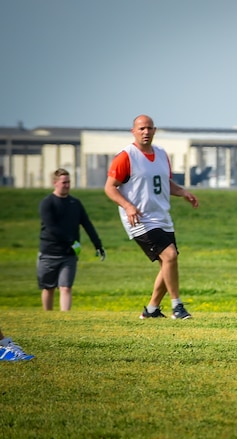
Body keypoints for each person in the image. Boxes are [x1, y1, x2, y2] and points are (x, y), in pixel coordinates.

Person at [104, 114, 199, 320]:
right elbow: (110, 187)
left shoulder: (162, 154)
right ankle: (177, 307)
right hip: (140, 220)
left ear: (154, 130)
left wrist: (183, 192)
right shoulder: (126, 156)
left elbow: (164, 183)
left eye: (149, 128)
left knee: (168, 263)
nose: (145, 132)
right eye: (141, 129)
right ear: (133, 131)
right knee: (170, 256)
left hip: (162, 216)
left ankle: (152, 310)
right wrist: (128, 206)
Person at [38, 168, 106, 311]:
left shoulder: (75, 203)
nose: (67, 185)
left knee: (66, 287)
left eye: (68, 182)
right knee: (48, 288)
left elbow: (87, 224)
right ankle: (47, 316)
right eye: (64, 182)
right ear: (55, 183)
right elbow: (51, 227)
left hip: (69, 254)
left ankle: (65, 318)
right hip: (49, 253)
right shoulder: (47, 203)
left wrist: (97, 244)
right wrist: (71, 240)